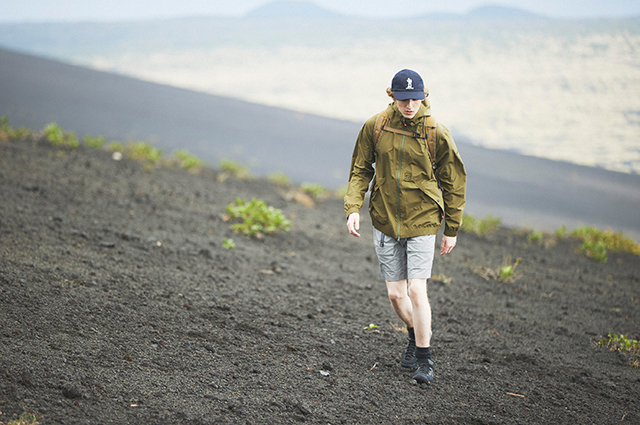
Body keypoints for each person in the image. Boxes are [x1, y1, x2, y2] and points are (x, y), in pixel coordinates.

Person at [344, 69, 467, 385]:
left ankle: (425, 360)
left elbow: (454, 182)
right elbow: (360, 169)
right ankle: (414, 334)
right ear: (392, 97)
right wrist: (353, 208)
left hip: (423, 219)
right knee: (397, 296)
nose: (409, 105)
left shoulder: (435, 131)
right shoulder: (376, 126)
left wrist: (451, 228)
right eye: (402, 100)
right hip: (385, 220)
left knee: (416, 289)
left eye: (414, 99)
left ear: (424, 96)